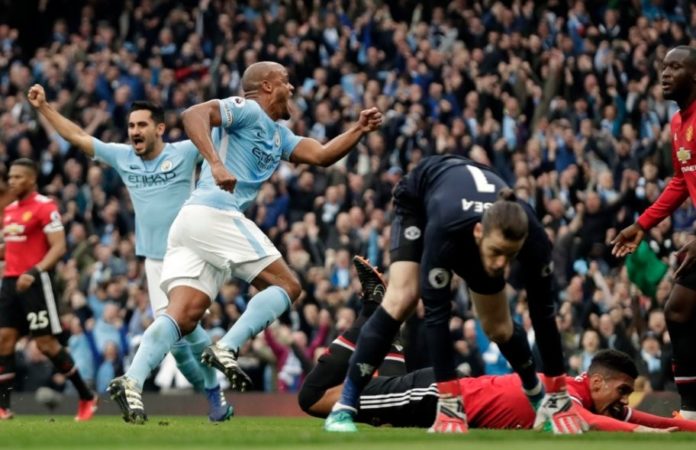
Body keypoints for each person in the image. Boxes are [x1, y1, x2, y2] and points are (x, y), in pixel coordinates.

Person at [107, 61, 383, 423]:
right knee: (288, 285)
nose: (292, 89)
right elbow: (193, 114)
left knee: (183, 316)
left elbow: (321, 155)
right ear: (267, 87)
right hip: (215, 212)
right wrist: (215, 163)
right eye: (285, 81)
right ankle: (228, 347)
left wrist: (358, 129)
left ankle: (132, 379)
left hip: (191, 224)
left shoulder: (279, 135)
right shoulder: (248, 110)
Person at [325, 155, 584, 433]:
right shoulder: (445, 229)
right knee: (403, 299)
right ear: (479, 233)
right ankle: (344, 406)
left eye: (510, 255)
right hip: (421, 199)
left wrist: (558, 392)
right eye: (497, 252)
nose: (501, 264)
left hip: (465, 208)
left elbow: (543, 312)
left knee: (499, 328)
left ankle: (540, 400)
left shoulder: (534, 237)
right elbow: (437, 315)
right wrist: (449, 400)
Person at [27, 86, 232, 423]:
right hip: (154, 261)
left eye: (142, 125)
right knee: (178, 345)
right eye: (132, 125)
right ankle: (212, 393)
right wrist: (45, 108)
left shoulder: (185, 152)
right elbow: (78, 136)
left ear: (160, 128)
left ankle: (211, 395)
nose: (135, 131)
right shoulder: (123, 157)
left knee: (185, 323)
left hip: (188, 254)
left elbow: (221, 136)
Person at [306, 261, 696, 433]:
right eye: (622, 390)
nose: (625, 400)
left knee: (383, 399)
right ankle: (372, 312)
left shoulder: (589, 396)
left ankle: (384, 323)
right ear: (597, 382)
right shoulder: (567, 397)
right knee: (315, 399)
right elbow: (592, 423)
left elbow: (645, 419)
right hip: (433, 396)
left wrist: (686, 426)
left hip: (437, 396)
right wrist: (642, 435)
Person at [612, 46, 696, 422]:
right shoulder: (678, 124)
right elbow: (680, 182)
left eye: (675, 67)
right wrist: (642, 224)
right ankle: (691, 411)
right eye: (663, 67)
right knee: (678, 310)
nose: (665, 73)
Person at [0, 159, 97, 421]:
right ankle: (3, 406)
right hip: (10, 282)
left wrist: (34, 272)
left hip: (36, 283)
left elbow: (59, 247)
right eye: (10, 177)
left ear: (32, 179)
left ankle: (87, 396)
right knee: (4, 340)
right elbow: (12, 248)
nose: (12, 181)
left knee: (45, 344)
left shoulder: (45, 207)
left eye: (18, 177)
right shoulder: (9, 210)